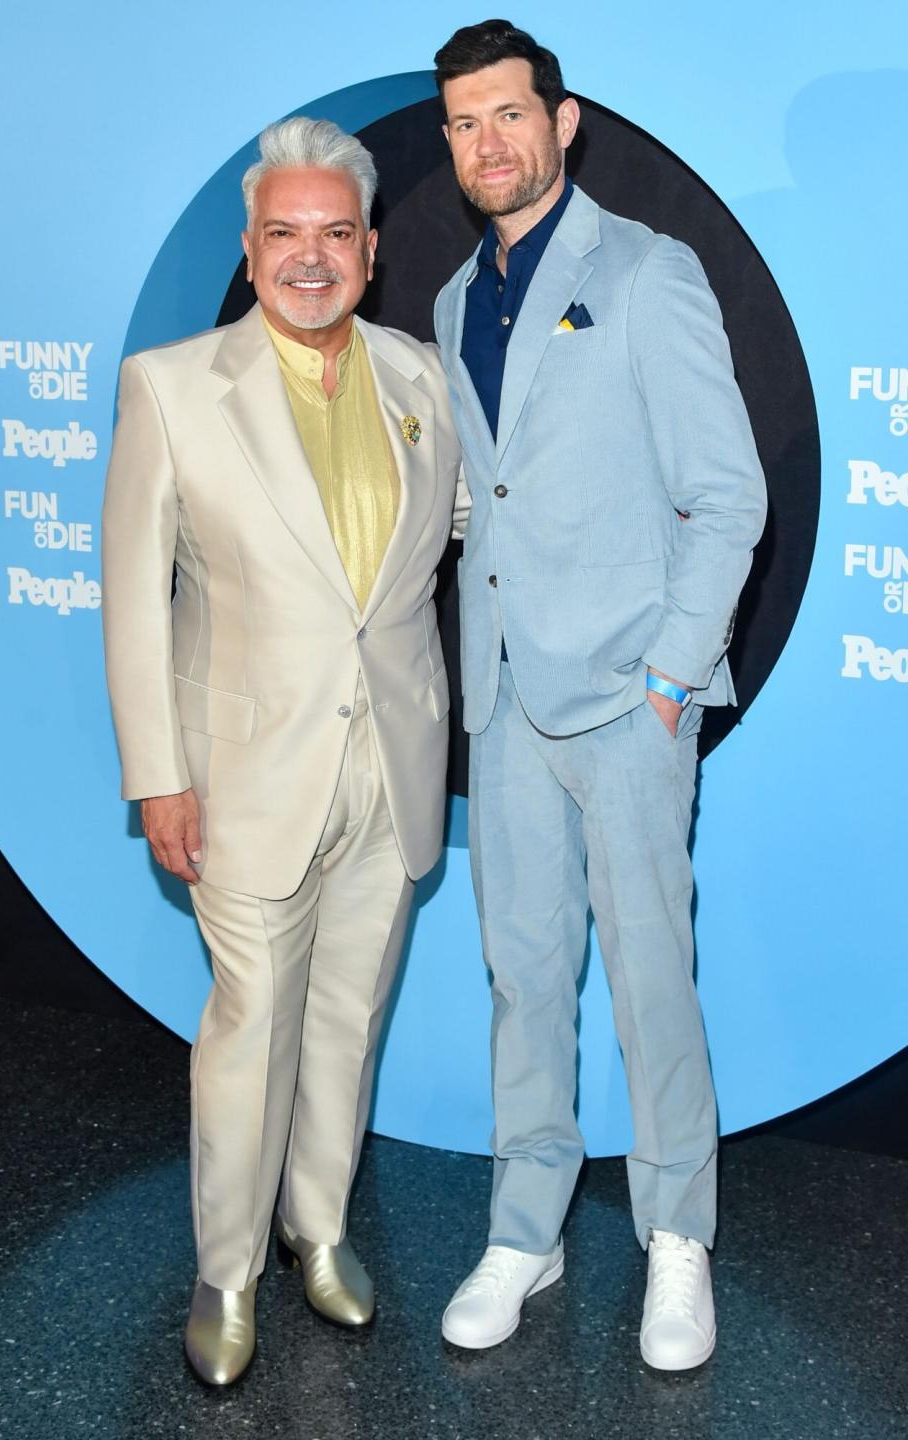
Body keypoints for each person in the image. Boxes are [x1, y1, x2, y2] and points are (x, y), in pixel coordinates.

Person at [102, 116, 465, 1387]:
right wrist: (158, 774)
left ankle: (318, 1230)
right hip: (243, 776)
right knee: (252, 1024)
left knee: (350, 1016)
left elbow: (466, 538)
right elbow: (132, 597)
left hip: (392, 772)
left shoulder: (421, 377)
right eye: (282, 235)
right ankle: (227, 1271)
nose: (310, 258)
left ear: (370, 248)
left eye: (334, 234)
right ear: (250, 251)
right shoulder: (171, 384)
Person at [432, 20, 767, 1369]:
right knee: (523, 977)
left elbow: (727, 494)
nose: (488, 142)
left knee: (649, 978)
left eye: (510, 114)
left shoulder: (646, 270)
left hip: (632, 699)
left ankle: (677, 1237)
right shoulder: (458, 300)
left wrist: (675, 681)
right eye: (464, 123)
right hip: (505, 695)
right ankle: (529, 1228)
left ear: (561, 123)